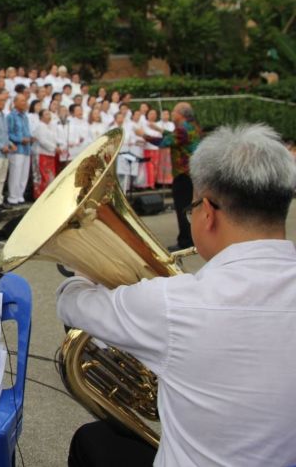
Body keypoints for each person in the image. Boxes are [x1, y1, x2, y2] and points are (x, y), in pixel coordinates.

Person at [61, 123, 296, 467]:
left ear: (207, 213)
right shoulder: (174, 300)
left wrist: (88, 269)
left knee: (93, 440)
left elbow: (70, 302)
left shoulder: (174, 302)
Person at [142, 102, 202, 250]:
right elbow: (174, 137)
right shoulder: (192, 126)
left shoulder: (182, 129)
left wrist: (143, 135)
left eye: (174, 111)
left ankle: (185, 241)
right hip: (192, 173)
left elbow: (165, 142)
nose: (172, 114)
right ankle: (192, 239)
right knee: (190, 208)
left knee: (182, 208)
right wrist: (159, 129)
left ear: (180, 114)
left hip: (183, 175)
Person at [6, 94, 31, 206]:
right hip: (16, 149)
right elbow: (8, 133)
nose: (24, 103)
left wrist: (30, 138)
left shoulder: (25, 116)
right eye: (21, 101)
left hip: (26, 149)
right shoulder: (11, 116)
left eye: (25, 101)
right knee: (15, 175)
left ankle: (20, 195)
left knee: (24, 175)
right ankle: (13, 197)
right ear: (15, 103)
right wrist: (20, 139)